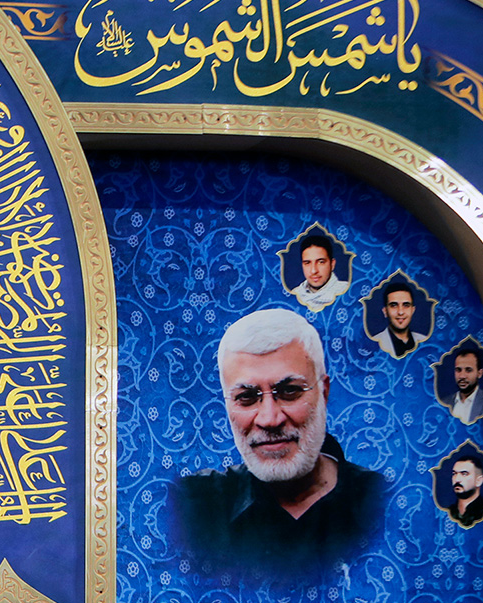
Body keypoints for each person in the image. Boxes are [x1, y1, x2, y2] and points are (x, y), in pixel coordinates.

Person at [172, 309, 385, 581]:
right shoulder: (189, 506)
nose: (270, 419)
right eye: (247, 397)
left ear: (324, 392)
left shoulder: (384, 502)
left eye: (289, 391)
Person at [288, 231, 348, 311]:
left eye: (321, 262)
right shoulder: (295, 294)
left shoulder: (345, 291)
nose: (313, 271)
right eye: (307, 263)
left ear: (332, 264)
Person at [369, 281, 428, 358]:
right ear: (385, 311)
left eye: (406, 305)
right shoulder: (374, 344)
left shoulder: (424, 341)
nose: (400, 312)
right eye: (393, 305)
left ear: (413, 310)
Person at [448, 346, 483, 424]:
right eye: (458, 370)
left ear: (479, 373)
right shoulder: (445, 402)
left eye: (468, 370)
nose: (462, 376)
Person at [446, 452, 483, 528]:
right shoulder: (447, 511)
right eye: (454, 473)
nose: (457, 479)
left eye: (464, 474)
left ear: (479, 481)